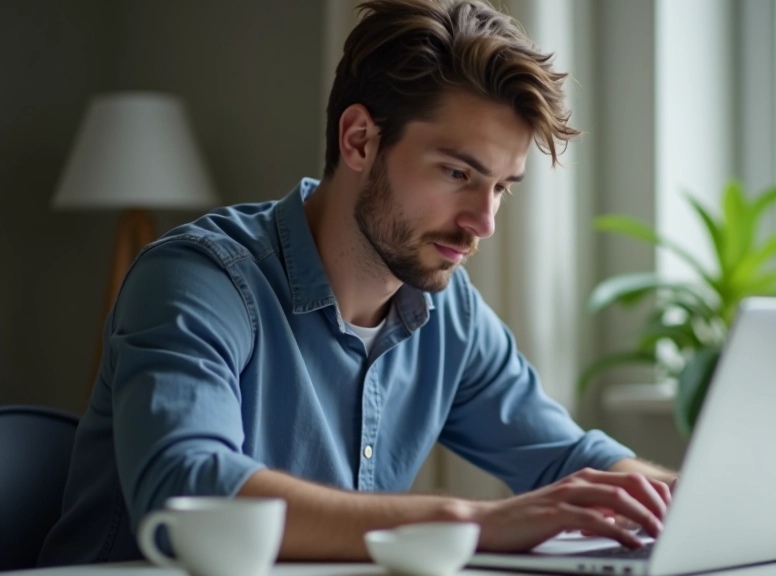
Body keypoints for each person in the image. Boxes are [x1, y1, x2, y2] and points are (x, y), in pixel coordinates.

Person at [39, 0, 677, 566]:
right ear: (359, 139)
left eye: (501, 188)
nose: (483, 222)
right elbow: (189, 485)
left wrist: (680, 503)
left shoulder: (446, 312)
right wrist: (473, 523)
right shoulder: (198, 278)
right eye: (458, 173)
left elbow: (570, 458)